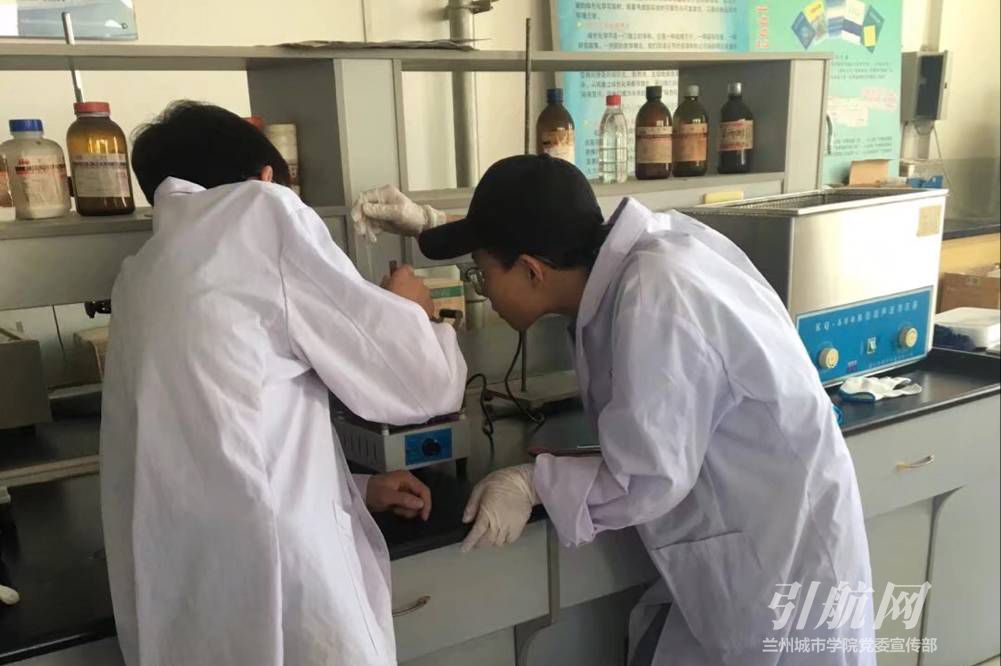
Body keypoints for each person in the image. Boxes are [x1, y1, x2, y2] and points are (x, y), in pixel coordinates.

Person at [352, 154, 876, 666]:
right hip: (739, 537)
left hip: (781, 561)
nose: (482, 289)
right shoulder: (625, 257)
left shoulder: (656, 296)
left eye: (480, 273)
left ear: (532, 270)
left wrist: (534, 483)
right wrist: (434, 225)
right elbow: (536, 229)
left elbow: (646, 475)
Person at [100, 101, 466, 666]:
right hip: (289, 594)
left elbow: (220, 448)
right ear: (267, 174)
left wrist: (358, 487)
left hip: (187, 602)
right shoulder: (260, 211)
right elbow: (423, 386)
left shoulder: (138, 276)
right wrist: (414, 310)